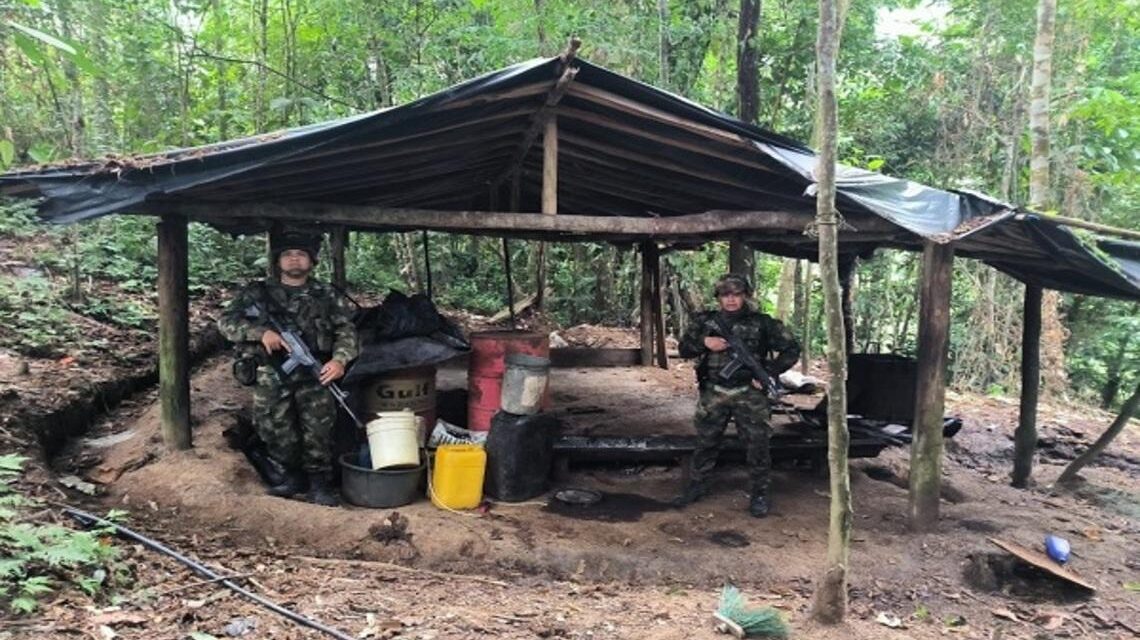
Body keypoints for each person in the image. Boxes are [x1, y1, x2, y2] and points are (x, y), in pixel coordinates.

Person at [218, 230, 359, 506]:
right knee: (274, 425)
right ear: (278, 261)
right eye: (288, 254)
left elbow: (347, 330)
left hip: (315, 370)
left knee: (318, 428)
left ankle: (319, 483)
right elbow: (225, 322)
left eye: (301, 254)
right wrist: (261, 333)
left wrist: (339, 360)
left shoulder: (326, 294)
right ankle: (291, 477)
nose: (294, 259)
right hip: (271, 371)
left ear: (312, 261)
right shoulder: (257, 293)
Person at [673, 273, 800, 517]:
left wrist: (768, 372)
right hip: (714, 390)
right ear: (718, 297)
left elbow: (791, 348)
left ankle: (759, 493)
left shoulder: (763, 323)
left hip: (750, 393)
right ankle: (697, 485)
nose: (731, 300)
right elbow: (684, 349)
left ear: (745, 296)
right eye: (725, 295)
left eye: (737, 294)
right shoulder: (705, 322)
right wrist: (704, 342)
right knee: (706, 441)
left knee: (757, 444)